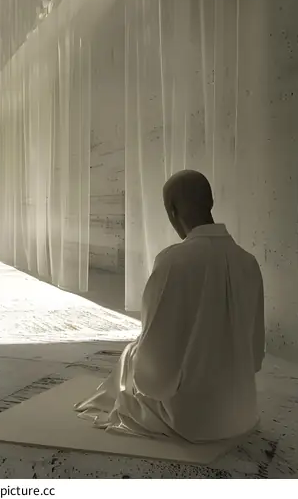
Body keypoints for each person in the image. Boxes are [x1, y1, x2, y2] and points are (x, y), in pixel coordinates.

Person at [75, 169, 265, 443]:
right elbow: (255, 354)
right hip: (243, 412)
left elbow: (155, 367)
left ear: (172, 211)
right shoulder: (249, 262)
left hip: (193, 422)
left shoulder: (173, 261)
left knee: (132, 352)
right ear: (210, 203)